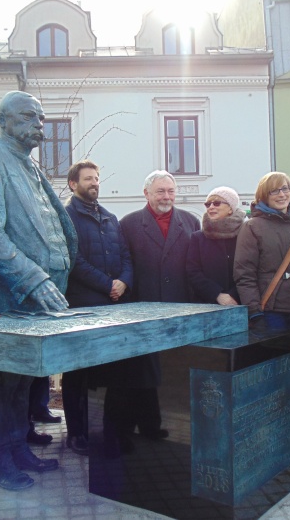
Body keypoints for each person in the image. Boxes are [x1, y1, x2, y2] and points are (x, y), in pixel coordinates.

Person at [0, 91, 78, 491]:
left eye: (42, 118)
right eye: (29, 116)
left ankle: (17, 448)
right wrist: (33, 277)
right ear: (3, 120)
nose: (39, 125)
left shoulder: (30, 167)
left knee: (24, 380)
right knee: (3, 382)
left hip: (42, 296)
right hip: (9, 292)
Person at [233, 172, 290, 460]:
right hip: (271, 314)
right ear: (264, 196)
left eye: (285, 189)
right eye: (275, 191)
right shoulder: (253, 227)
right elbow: (244, 274)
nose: (282, 195)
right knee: (271, 380)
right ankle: (266, 441)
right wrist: (255, 311)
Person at [116, 170, 200, 449]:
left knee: (169, 371)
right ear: (147, 194)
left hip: (178, 307)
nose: (166, 197)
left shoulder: (190, 221)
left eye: (170, 191)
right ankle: (126, 431)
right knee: (138, 373)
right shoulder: (128, 224)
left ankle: (154, 425)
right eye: (160, 191)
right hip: (142, 309)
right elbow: (123, 264)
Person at [63, 159, 133, 455]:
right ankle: (77, 433)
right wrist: (108, 284)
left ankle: (107, 430)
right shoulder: (66, 217)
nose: (94, 183)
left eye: (97, 178)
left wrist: (123, 283)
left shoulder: (110, 217)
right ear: (73, 184)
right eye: (88, 179)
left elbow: (127, 257)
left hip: (113, 306)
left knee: (110, 373)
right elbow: (73, 261)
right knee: (78, 374)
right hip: (82, 307)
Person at [186, 187, 246, 305]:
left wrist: (234, 295)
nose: (211, 207)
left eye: (217, 203)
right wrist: (216, 294)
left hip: (240, 302)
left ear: (230, 208)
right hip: (207, 305)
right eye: (208, 204)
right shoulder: (198, 238)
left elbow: (251, 270)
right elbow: (193, 271)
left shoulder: (245, 235)